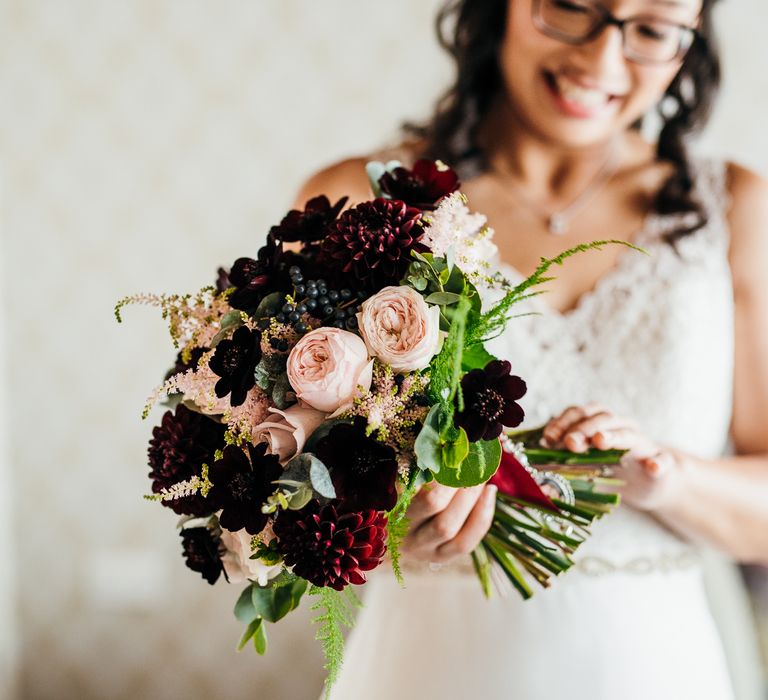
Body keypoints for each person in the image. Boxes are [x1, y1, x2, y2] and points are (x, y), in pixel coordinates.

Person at [293, 0, 768, 697]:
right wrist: (389, 535)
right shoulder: (357, 204)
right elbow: (272, 481)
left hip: (657, 669)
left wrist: (672, 480)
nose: (602, 60)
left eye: (652, 27)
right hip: (429, 667)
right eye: (571, 6)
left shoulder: (738, 212)